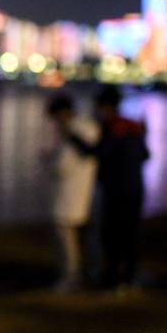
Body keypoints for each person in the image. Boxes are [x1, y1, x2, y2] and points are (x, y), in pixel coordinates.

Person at [64, 86, 150, 290]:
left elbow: (97, 152)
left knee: (111, 234)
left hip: (115, 189)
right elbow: (146, 155)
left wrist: (72, 137)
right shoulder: (133, 126)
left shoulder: (111, 127)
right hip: (136, 188)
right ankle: (129, 275)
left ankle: (111, 276)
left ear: (105, 106)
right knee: (131, 233)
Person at [44, 95, 99, 293]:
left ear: (61, 113)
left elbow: (61, 166)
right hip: (85, 192)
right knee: (84, 238)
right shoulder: (91, 127)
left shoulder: (70, 131)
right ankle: (87, 273)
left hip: (67, 196)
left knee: (66, 240)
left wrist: (50, 160)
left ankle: (71, 277)